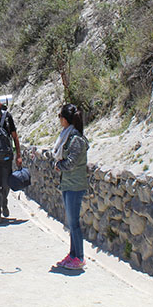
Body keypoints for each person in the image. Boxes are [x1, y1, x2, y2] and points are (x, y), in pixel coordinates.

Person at [52, 103, 89, 270]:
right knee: (71, 222)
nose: (59, 120)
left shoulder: (75, 139)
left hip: (75, 185)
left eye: (60, 116)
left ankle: (79, 257)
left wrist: (60, 165)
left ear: (65, 119)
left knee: (74, 223)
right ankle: (73, 254)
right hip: (68, 183)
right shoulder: (68, 136)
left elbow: (71, 163)